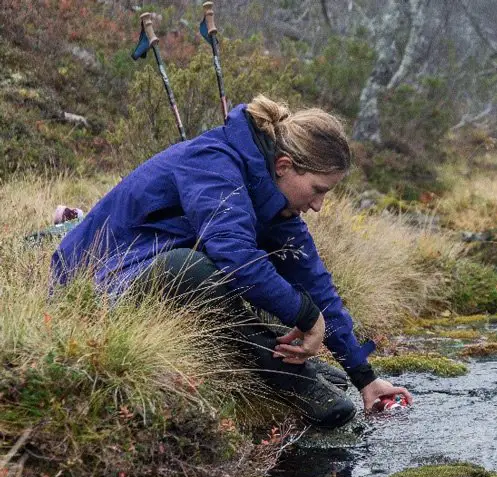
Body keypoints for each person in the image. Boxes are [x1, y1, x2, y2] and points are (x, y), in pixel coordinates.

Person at [51, 95, 413, 428]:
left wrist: (364, 378)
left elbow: (316, 285)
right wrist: (306, 316)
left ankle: (294, 364)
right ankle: (294, 381)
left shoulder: (275, 201)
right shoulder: (212, 162)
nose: (318, 206)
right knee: (190, 271)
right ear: (285, 165)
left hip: (147, 271)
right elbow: (236, 256)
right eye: (318, 190)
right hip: (97, 280)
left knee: (206, 272)